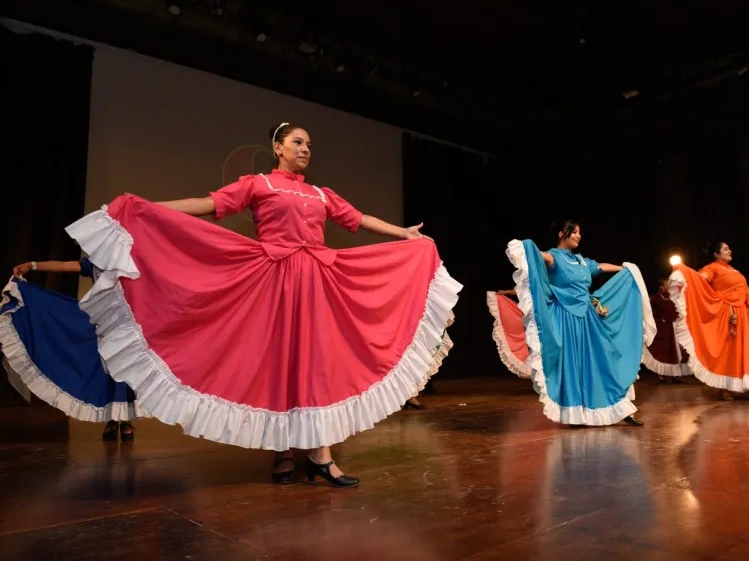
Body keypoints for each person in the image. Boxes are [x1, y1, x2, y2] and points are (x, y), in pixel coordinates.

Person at [63, 122, 461, 488]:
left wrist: (403, 233)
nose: (306, 150)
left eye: (309, 145)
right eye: (298, 143)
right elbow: (207, 205)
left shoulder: (321, 194)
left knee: (317, 364)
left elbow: (359, 218)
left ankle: (321, 454)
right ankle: (283, 451)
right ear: (278, 147)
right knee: (279, 362)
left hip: (318, 284)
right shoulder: (259, 184)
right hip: (275, 284)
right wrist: (149, 208)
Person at [503, 220, 655, 427]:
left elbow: (599, 267)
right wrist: (527, 247)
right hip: (566, 318)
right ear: (561, 234)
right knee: (575, 365)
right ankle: (578, 412)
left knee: (603, 360)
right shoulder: (554, 257)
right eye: (573, 232)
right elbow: (540, 257)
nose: (577, 236)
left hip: (588, 318)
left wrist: (625, 269)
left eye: (579, 233)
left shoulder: (582, 262)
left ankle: (619, 407)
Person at [1, 258, 141, 440]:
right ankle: (112, 419)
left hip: (126, 323)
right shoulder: (97, 262)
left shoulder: (131, 262)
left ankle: (126, 420)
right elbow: (66, 265)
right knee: (103, 372)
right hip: (101, 321)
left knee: (123, 372)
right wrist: (33, 265)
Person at [669, 241, 749, 400]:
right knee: (729, 351)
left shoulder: (734, 270)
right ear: (716, 254)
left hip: (743, 314)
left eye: (729, 248)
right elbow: (700, 280)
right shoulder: (712, 268)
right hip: (727, 315)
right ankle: (725, 388)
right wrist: (685, 272)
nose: (730, 251)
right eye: (725, 249)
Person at [644, 278, 691, 382]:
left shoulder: (675, 297)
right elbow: (645, 302)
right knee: (664, 351)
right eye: (667, 285)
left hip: (676, 327)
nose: (670, 287)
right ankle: (662, 375)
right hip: (664, 329)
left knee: (678, 352)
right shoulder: (656, 298)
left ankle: (676, 374)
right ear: (661, 287)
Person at [486, 289, 533, 379]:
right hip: (532, 315)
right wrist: (505, 292)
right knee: (533, 345)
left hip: (542, 315)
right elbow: (522, 289)